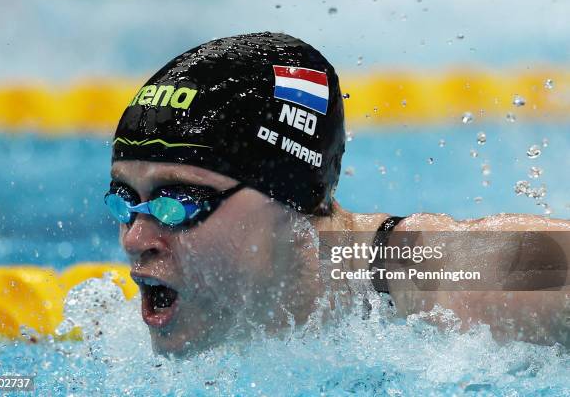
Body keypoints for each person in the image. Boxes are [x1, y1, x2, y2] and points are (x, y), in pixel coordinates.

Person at [106, 32, 569, 355]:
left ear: (294, 201)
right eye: (125, 200)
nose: (134, 238)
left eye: (180, 202)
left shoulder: (431, 276)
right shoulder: (111, 332)